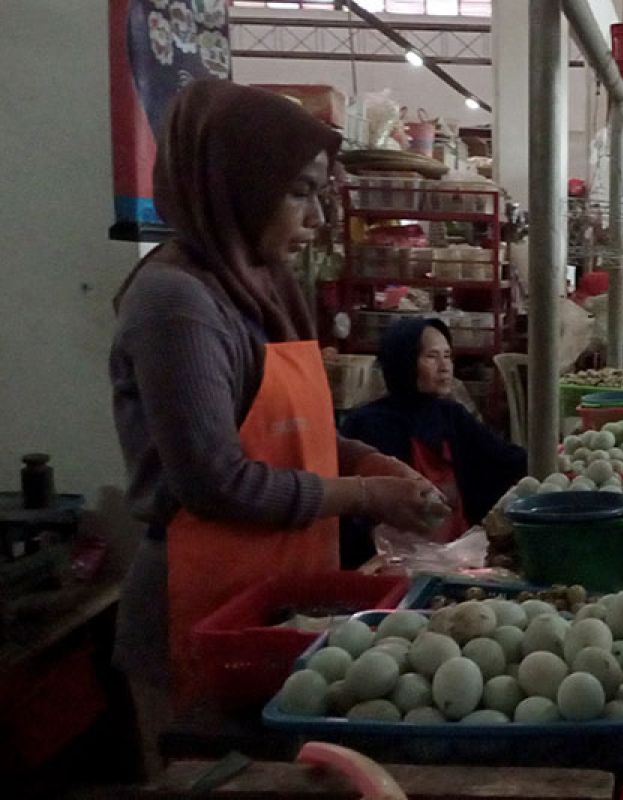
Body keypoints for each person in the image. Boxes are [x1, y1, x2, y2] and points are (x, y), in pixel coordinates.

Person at [109, 82, 449, 754]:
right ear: (234, 184)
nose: (318, 218)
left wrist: (363, 459)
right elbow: (217, 480)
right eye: (299, 192)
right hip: (197, 608)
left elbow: (292, 434)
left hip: (274, 595)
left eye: (320, 194)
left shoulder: (255, 288)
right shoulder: (178, 303)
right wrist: (364, 496)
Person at [340, 318, 527, 559]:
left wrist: (555, 462)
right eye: (431, 357)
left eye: (447, 356)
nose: (444, 367)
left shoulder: (450, 415)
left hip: (454, 553)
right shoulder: (370, 424)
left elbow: (502, 458)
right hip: (393, 558)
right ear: (404, 362)